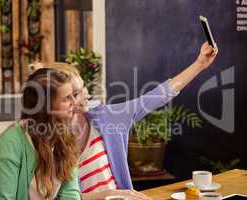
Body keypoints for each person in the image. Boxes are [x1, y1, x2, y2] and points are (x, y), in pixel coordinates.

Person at [53, 42, 217, 200]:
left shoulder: (106, 117)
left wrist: (199, 64)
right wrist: (106, 195)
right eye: (75, 94)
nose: (86, 95)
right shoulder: (45, 141)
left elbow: (157, 96)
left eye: (84, 88)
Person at [0, 68, 81, 200]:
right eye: (67, 98)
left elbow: (70, 194)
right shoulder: (10, 143)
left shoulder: (65, 137)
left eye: (73, 95)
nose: (74, 102)